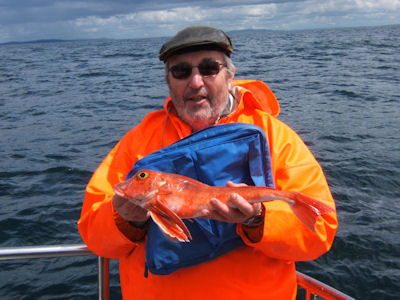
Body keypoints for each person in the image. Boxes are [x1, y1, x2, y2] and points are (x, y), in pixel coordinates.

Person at [78, 25, 338, 299]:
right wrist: (125, 221)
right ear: (168, 80)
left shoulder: (276, 136)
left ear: (229, 76)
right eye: (181, 71)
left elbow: (319, 233)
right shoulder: (137, 141)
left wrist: (258, 219)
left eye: (209, 68)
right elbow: (94, 236)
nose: (195, 82)